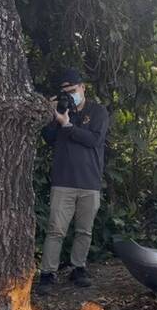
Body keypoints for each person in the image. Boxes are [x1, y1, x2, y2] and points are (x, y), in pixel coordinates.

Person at [37, 68, 109, 294]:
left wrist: (68, 125)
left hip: (90, 182)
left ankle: (79, 268)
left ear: (83, 88)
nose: (70, 95)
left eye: (73, 90)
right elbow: (49, 138)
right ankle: (47, 273)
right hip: (63, 181)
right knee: (55, 230)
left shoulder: (98, 112)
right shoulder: (60, 111)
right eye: (66, 92)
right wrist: (50, 114)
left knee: (84, 231)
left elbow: (94, 140)